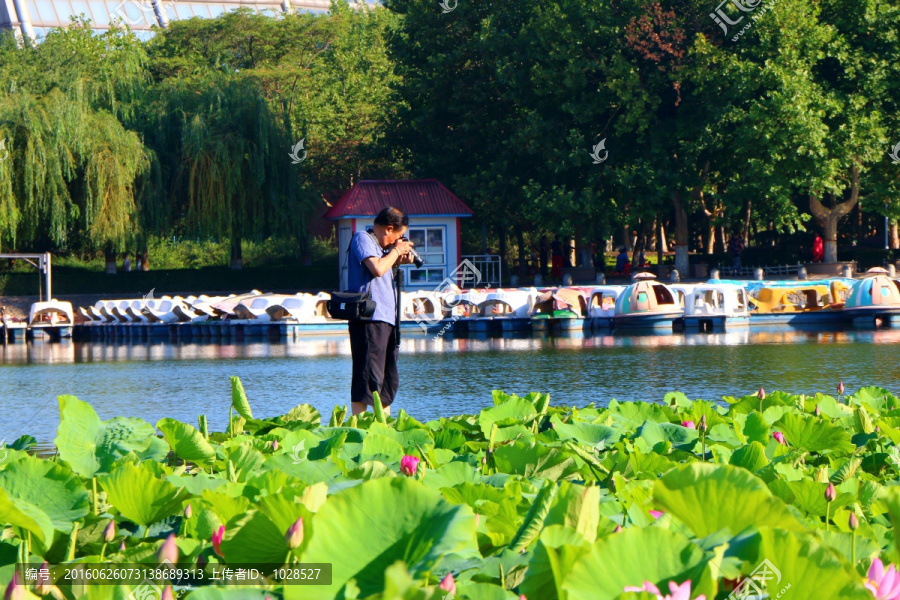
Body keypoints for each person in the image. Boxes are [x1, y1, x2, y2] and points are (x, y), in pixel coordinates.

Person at [346, 207, 416, 417]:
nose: (399, 240)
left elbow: (384, 270)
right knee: (366, 376)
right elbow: (376, 269)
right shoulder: (363, 238)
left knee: (386, 379)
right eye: (399, 235)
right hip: (369, 319)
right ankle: (359, 426)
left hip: (386, 319)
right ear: (388, 228)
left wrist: (397, 259)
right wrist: (396, 251)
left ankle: (385, 427)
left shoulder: (384, 250)